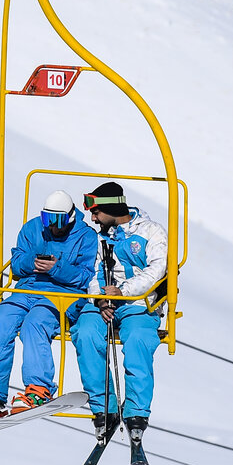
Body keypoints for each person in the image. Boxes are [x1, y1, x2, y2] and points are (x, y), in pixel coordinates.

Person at [0, 190, 97, 429]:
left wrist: (56, 268)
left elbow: (86, 277)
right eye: (47, 219)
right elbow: (16, 264)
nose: (52, 226)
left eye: (58, 220)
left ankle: (39, 388)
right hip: (27, 290)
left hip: (63, 295)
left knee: (35, 323)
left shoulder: (86, 236)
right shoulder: (32, 229)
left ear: (70, 217)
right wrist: (31, 262)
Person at [70, 182, 168, 444]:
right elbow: (92, 271)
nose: (93, 219)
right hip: (104, 303)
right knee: (85, 333)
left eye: (96, 212)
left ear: (112, 208)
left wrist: (123, 291)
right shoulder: (99, 238)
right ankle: (105, 408)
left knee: (138, 340)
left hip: (139, 303)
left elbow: (156, 270)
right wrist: (101, 298)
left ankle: (136, 412)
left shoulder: (151, 231)